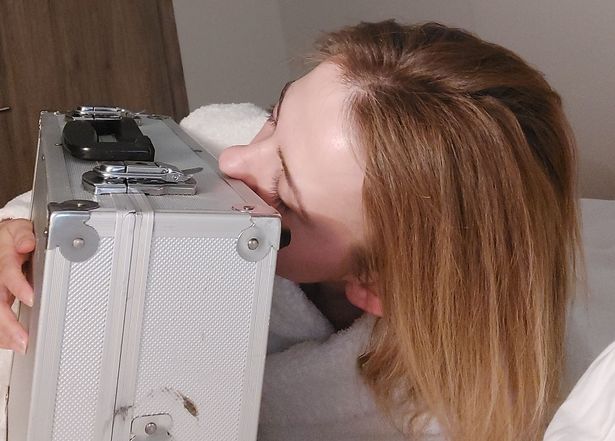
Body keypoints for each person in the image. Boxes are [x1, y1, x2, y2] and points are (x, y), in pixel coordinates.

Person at [0, 20, 581, 441]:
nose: (233, 163)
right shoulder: (217, 141)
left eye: (281, 193)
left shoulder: (440, 408)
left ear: (378, 283)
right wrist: (16, 231)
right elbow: (91, 191)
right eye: (275, 117)